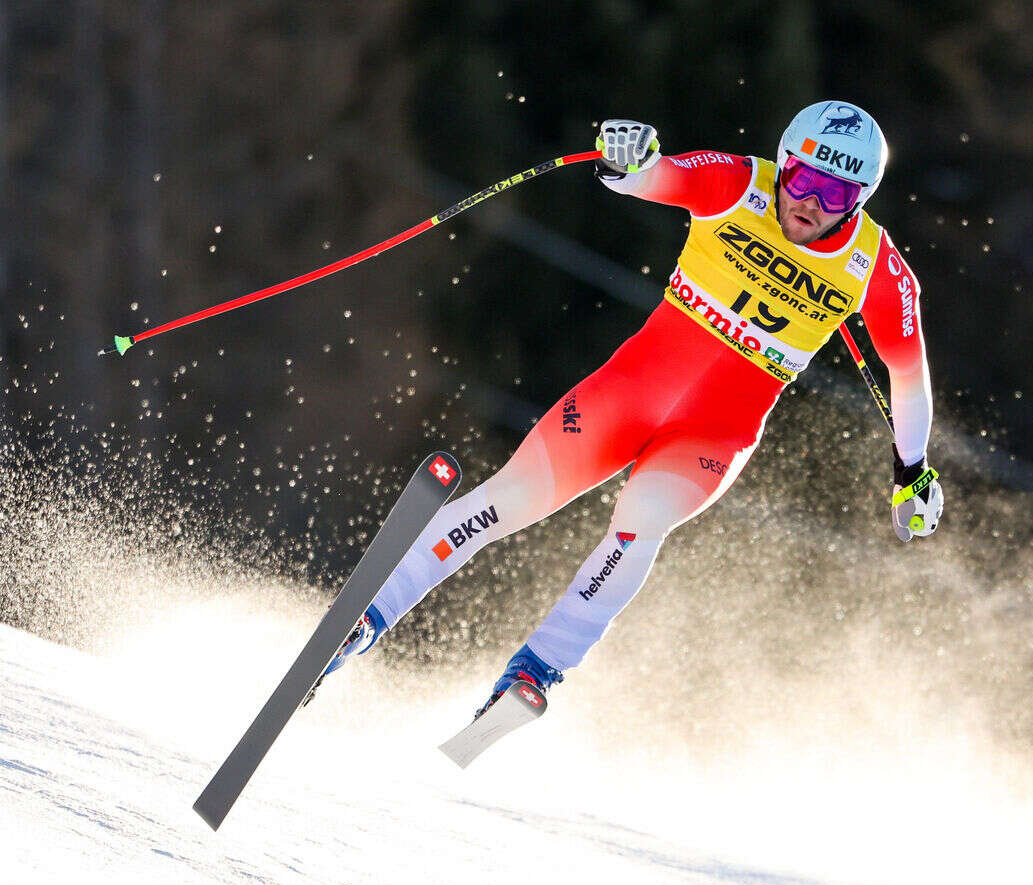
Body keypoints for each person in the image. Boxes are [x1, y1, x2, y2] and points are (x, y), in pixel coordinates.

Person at [318, 101, 942, 716]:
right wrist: (630, 160)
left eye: (834, 195)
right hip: (624, 399)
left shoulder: (878, 271)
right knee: (511, 498)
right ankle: (368, 618)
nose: (810, 202)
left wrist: (911, 472)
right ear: (783, 166)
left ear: (860, 198)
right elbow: (656, 177)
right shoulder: (738, 183)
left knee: (639, 523)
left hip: (711, 436)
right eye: (803, 179)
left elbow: (909, 377)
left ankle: (539, 668)